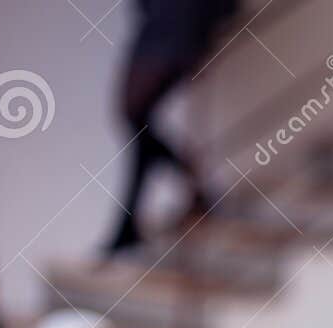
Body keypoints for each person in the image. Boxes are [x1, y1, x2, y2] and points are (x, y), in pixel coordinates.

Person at [101, 0, 238, 257]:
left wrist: (203, 32)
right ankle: (188, 187)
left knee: (134, 116)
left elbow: (228, 7)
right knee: (135, 119)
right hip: (160, 33)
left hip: (178, 37)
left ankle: (129, 223)